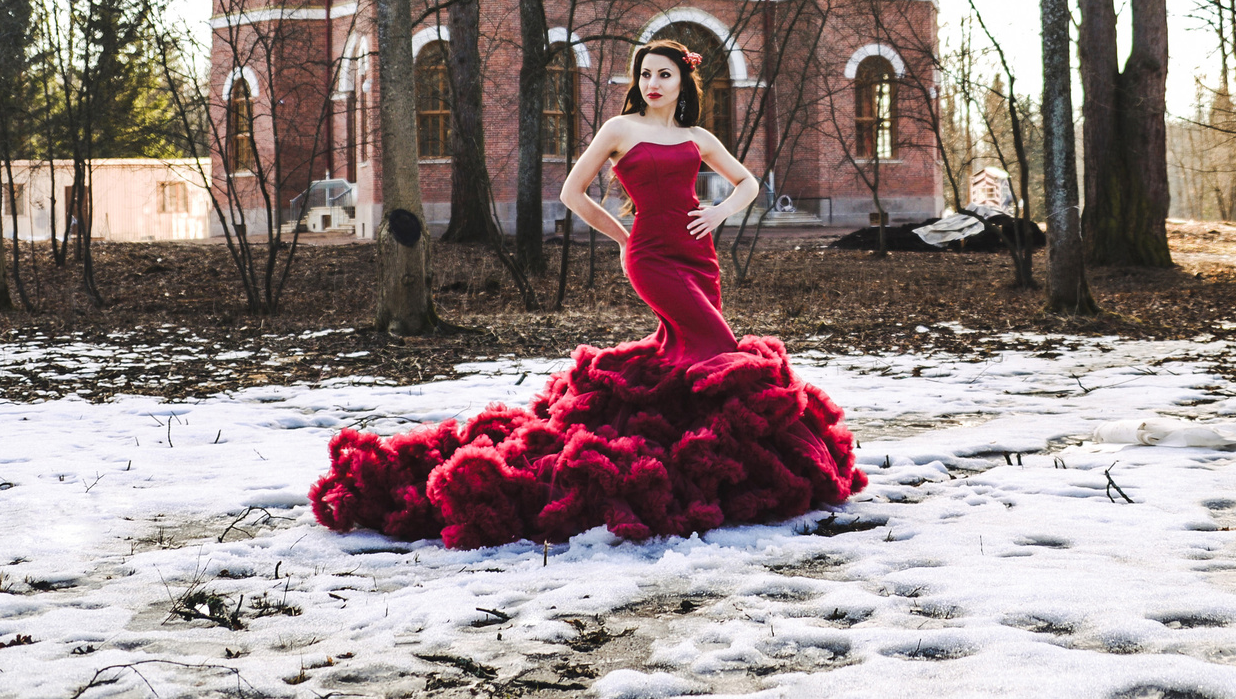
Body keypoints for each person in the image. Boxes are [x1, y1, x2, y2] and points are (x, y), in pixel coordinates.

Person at [308, 39, 865, 548]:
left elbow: (747, 182)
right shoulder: (620, 129)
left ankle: (709, 466)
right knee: (719, 349)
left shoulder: (697, 138)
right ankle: (727, 465)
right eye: (645, 74)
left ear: (682, 83)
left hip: (699, 259)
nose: (652, 83)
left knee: (686, 359)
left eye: (664, 75)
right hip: (651, 257)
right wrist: (624, 236)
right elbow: (573, 193)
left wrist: (717, 212)